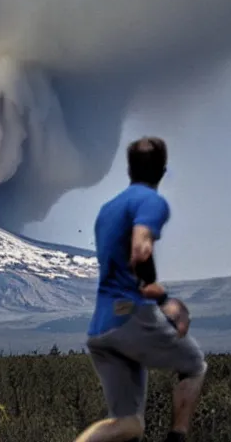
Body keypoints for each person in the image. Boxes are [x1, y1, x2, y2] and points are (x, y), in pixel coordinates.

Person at [75, 136, 207, 442]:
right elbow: (141, 248)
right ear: (162, 171)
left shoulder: (107, 209)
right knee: (194, 365)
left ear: (129, 170)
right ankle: (177, 437)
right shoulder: (151, 201)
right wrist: (163, 298)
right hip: (130, 316)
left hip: (100, 328)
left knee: (129, 425)